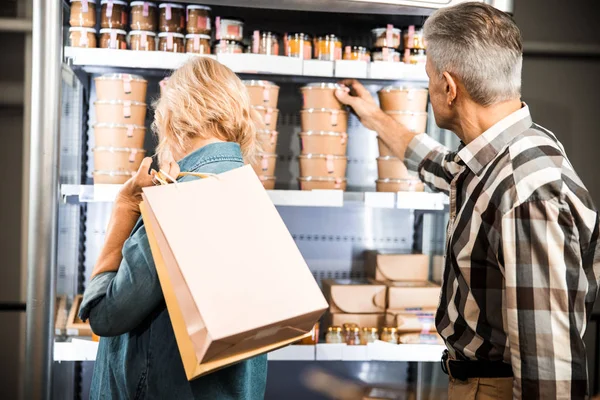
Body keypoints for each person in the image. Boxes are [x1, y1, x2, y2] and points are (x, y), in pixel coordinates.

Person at [335, 2, 600, 399]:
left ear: (448, 86)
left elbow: (549, 367)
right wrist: (373, 116)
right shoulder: (504, 153)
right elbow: (440, 167)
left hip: (494, 388)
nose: (428, 90)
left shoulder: (526, 194)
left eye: (428, 79)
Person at [79, 57, 267, 399]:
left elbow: (104, 317)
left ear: (172, 117)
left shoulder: (180, 198)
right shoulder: (249, 192)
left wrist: (125, 207)